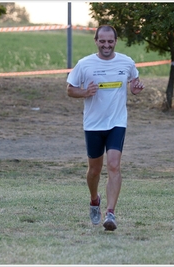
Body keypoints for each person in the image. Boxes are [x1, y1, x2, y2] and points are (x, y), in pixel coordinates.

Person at [66, 25, 144, 231]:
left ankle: (110, 214)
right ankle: (94, 200)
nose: (106, 45)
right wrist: (84, 92)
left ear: (115, 41)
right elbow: (70, 89)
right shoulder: (85, 64)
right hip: (93, 124)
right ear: (96, 41)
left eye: (110, 41)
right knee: (94, 170)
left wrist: (135, 89)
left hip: (117, 122)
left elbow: (134, 81)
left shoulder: (126, 63)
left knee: (114, 166)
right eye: (102, 41)